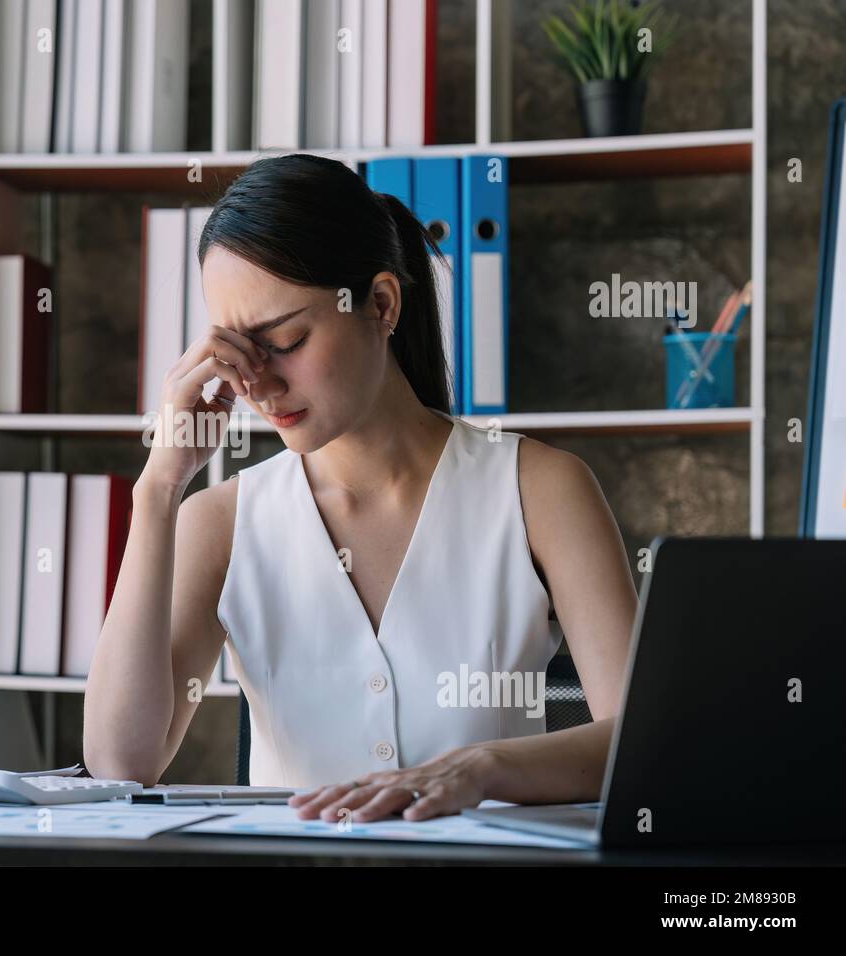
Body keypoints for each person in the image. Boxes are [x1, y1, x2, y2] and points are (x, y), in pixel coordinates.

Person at [83, 154, 637, 823]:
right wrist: (158, 487)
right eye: (237, 352)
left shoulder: (540, 490)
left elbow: (639, 742)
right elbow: (120, 761)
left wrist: (484, 768)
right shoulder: (223, 522)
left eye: (284, 340)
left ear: (380, 303)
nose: (258, 384)